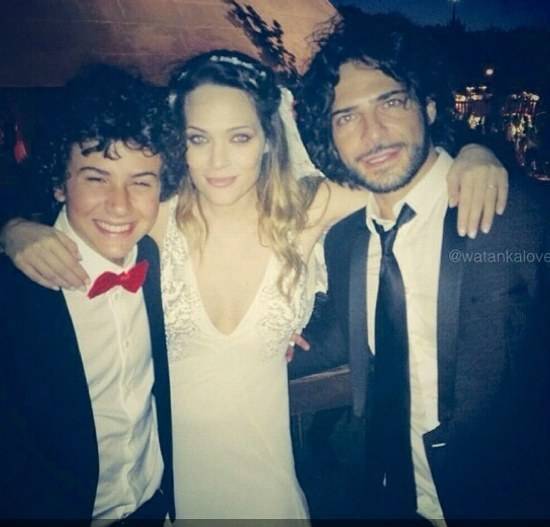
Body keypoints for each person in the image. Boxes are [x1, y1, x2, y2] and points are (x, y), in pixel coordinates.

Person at [0, 50, 508, 519]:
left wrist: (473, 151)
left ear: (268, 138)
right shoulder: (154, 216)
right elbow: (81, 208)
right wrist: (13, 229)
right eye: (198, 139)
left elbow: (401, 173)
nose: (218, 161)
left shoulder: (306, 210)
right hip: (171, 497)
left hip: (270, 491)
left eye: (239, 137)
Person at [293, 10, 550, 522]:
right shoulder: (344, 241)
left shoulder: (517, 216)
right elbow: (345, 334)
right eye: (346, 117)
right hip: (391, 498)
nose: (373, 134)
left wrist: (484, 148)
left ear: (429, 106)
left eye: (391, 102)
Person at [0, 64, 183, 522]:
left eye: (141, 181)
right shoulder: (13, 290)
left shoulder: (158, 262)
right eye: (96, 178)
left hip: (153, 507)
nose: (120, 205)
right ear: (59, 183)